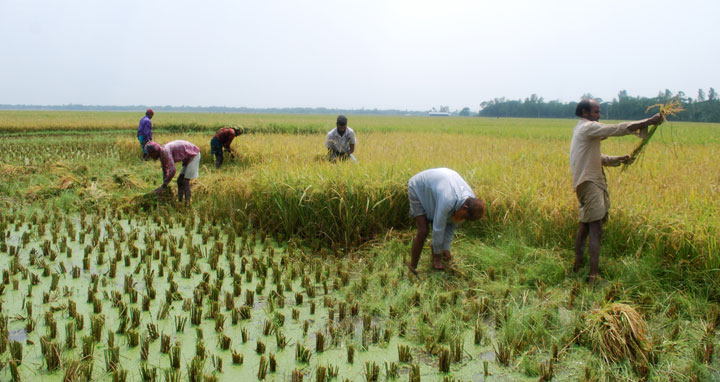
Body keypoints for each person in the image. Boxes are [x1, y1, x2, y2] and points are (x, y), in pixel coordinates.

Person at [570, 99, 663, 283]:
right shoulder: (587, 128)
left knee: (585, 226)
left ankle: (578, 264)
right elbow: (615, 129)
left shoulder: (582, 130)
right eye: (596, 112)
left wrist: (617, 159)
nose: (599, 115)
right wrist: (648, 122)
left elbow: (595, 157)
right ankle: (594, 274)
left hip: (586, 182)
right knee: (596, 228)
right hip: (590, 183)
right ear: (585, 113)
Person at [407, 168, 486, 275]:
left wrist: (445, 248)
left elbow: (452, 224)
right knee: (423, 230)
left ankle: (432, 258)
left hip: (438, 188)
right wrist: (437, 257)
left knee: (437, 228)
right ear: (464, 207)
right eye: (465, 217)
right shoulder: (447, 199)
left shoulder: (470, 200)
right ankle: (413, 267)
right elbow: (438, 227)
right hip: (419, 187)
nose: (463, 220)